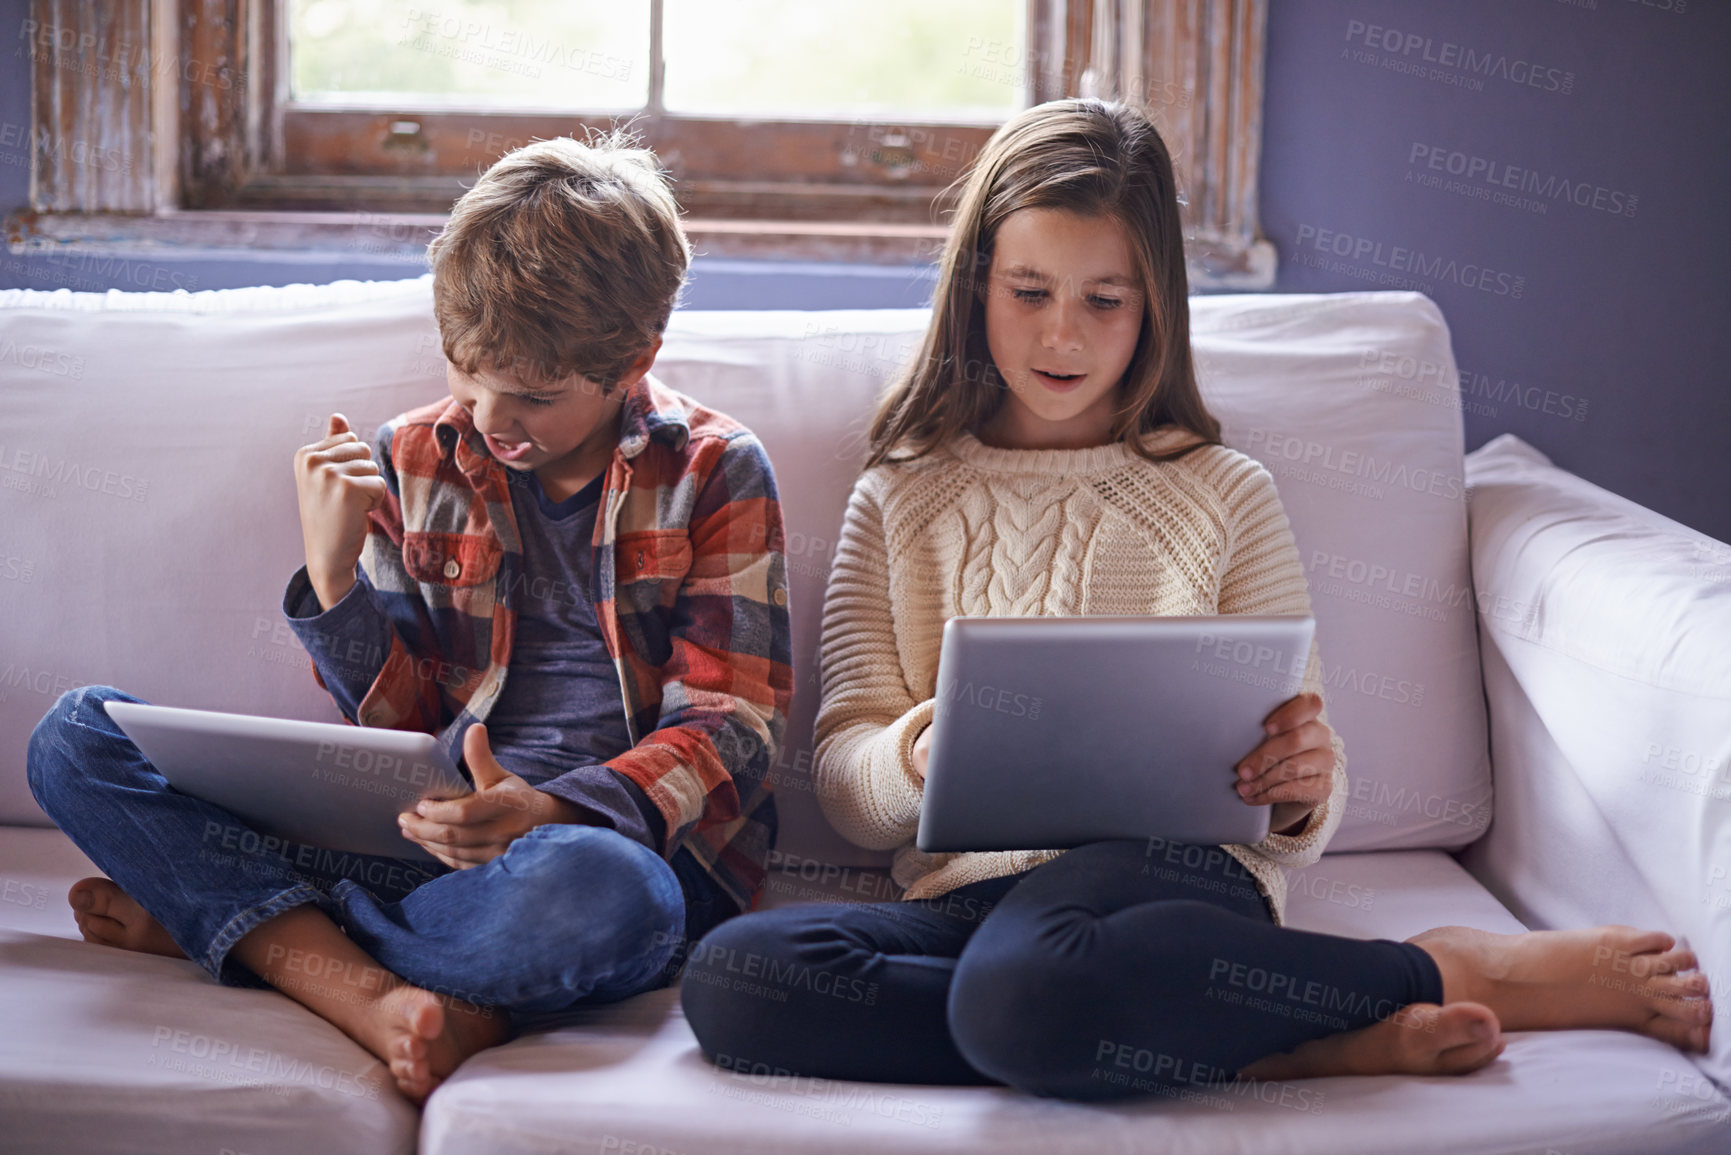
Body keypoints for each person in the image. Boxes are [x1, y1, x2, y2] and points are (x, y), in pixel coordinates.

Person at [677, 98, 1711, 1101]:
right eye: (1029, 292)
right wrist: (916, 752)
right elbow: (852, 787)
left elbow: (1301, 759)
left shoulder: (1221, 492)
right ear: (976, 285)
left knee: (1033, 986)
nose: (1064, 338)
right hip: (972, 899)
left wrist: (1303, 783)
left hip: (1173, 881)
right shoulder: (898, 498)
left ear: (1154, 304)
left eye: (1104, 300)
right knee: (737, 981)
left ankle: (1444, 969)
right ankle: (1265, 1045)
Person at [27, 133, 793, 1102]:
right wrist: (334, 574)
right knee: (75, 735)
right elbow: (392, 738)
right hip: (416, 852)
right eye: (468, 375)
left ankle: (253, 931)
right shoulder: (409, 458)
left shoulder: (716, 469)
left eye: (535, 396)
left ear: (634, 357)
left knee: (608, 899)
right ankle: (365, 984)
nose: (489, 417)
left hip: (599, 853)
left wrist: (551, 807)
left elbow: (734, 727)